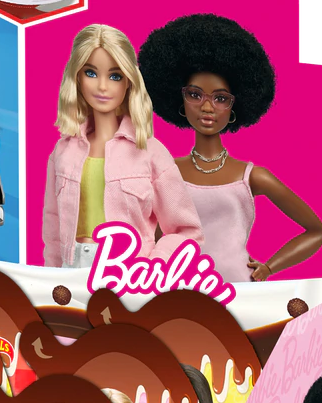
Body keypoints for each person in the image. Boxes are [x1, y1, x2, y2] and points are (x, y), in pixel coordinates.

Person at [137, 13, 322, 282]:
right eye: (195, 94)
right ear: (180, 98)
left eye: (220, 98)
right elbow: (153, 238)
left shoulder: (252, 177)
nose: (207, 107)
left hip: (238, 289)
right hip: (179, 289)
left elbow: (316, 231)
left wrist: (269, 267)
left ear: (235, 106)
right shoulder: (166, 170)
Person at [42, 23, 202, 268]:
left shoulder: (150, 152)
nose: (102, 86)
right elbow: (53, 226)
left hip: (127, 272)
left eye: (115, 76)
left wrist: (153, 265)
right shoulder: (63, 151)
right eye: (91, 73)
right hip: (71, 269)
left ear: (128, 82)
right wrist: (51, 279)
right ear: (76, 77)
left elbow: (187, 230)